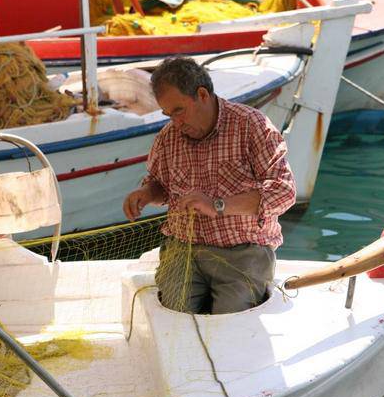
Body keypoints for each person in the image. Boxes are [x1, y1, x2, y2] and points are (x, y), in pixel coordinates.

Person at [123, 56, 296, 314]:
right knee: (171, 316)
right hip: (183, 250)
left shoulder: (251, 125)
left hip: (243, 253)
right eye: (168, 114)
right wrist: (146, 194)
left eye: (179, 110)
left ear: (202, 94)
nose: (175, 122)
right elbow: (160, 185)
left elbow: (284, 192)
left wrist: (219, 205)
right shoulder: (168, 137)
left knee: (231, 321)